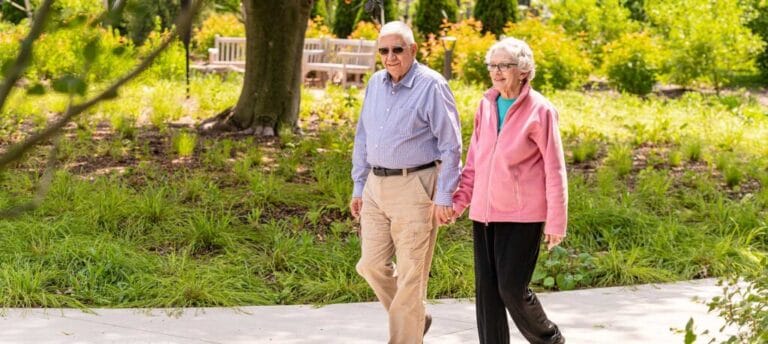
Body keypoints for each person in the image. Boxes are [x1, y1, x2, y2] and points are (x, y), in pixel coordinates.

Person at [350, 21, 462, 344]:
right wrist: (359, 185)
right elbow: (363, 137)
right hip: (375, 185)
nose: (390, 56)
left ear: (412, 50)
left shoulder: (432, 85)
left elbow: (451, 145)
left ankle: (405, 337)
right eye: (383, 50)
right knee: (370, 265)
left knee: (412, 277)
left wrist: (444, 195)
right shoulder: (374, 83)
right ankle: (416, 316)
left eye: (397, 49)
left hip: (416, 185)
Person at [451, 37, 568, 344]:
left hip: (522, 215)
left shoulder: (541, 110)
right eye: (493, 65)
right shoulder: (485, 105)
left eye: (505, 65)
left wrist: (556, 221)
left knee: (512, 289)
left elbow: (554, 169)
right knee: (487, 293)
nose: (497, 71)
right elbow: (474, 161)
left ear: (523, 70)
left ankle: (549, 339)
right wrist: (459, 202)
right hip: (484, 213)